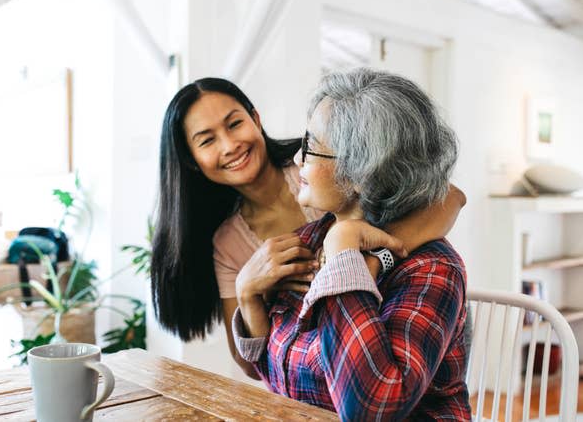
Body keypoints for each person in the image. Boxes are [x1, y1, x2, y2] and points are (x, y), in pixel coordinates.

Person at [151, 77, 466, 379]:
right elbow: (253, 368)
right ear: (191, 159)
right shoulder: (227, 243)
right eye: (207, 140)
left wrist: (371, 258)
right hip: (310, 379)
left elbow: (449, 197)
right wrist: (247, 292)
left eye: (235, 124)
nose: (230, 144)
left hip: (394, 337)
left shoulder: (319, 174)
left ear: (255, 118)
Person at [232, 68, 471, 420]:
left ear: (363, 170)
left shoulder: (431, 270)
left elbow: (371, 409)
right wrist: (248, 297)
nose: (298, 159)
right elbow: (280, 376)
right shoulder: (310, 240)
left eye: (310, 147)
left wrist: (344, 252)